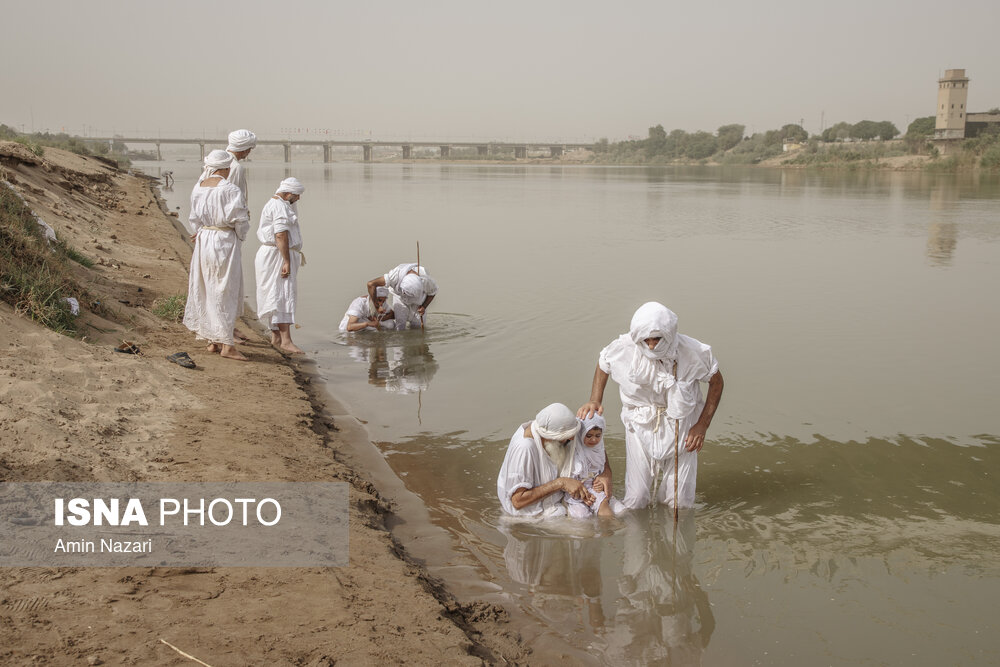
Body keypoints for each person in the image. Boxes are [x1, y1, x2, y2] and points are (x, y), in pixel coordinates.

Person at [578, 302, 723, 510]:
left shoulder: (694, 351)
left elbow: (717, 382)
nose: (652, 345)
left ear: (669, 335)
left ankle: (673, 537)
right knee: (637, 498)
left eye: (657, 339)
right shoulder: (624, 348)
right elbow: (603, 365)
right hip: (639, 422)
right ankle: (637, 537)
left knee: (679, 502)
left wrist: (702, 425)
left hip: (682, 425)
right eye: (647, 340)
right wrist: (595, 399)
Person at [182, 150, 250, 361]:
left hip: (204, 240)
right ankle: (227, 345)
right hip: (223, 241)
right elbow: (240, 219)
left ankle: (213, 341)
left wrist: (202, 231)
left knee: (207, 288)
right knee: (224, 290)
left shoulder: (198, 188)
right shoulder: (230, 189)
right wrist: (239, 236)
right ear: (227, 168)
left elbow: (194, 218)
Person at [497, 403, 603, 518]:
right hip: (529, 515)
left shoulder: (546, 427)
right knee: (583, 530)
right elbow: (517, 501)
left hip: (557, 499)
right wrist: (561, 483)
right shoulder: (525, 448)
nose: (572, 439)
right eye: (566, 436)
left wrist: (605, 473)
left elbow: (596, 444)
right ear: (548, 436)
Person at [254, 177, 306, 354]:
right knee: (283, 296)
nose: (298, 199)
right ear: (289, 193)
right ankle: (286, 340)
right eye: (297, 196)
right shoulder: (280, 206)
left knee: (274, 295)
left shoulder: (278, 204)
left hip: (273, 254)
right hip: (276, 255)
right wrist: (286, 261)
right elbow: (280, 235)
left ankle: (276, 336)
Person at [225, 129, 257, 344]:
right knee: (229, 281)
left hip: (219, 228)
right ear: (244, 148)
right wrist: (241, 223)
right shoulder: (235, 167)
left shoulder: (216, 162)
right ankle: (227, 329)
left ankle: (228, 326)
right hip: (228, 230)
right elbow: (232, 201)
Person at [567, 414, 624, 518]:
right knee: (581, 517)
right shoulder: (572, 451)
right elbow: (567, 478)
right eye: (589, 436)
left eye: (598, 436)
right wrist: (583, 493)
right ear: (581, 433)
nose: (594, 440)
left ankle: (612, 531)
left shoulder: (598, 450)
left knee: (618, 510)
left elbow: (599, 470)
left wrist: (599, 483)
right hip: (576, 492)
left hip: (594, 488)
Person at [366, 262, 437, 330]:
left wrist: (424, 306)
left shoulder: (426, 280)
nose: (409, 298)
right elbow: (371, 284)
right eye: (407, 293)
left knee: (417, 328)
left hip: (418, 302)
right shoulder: (395, 276)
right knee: (400, 326)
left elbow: (432, 293)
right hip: (400, 298)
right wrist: (377, 307)